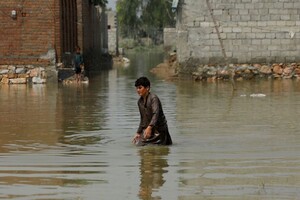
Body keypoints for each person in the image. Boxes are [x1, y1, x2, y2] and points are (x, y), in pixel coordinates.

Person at [132, 77, 172, 146]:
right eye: (137, 88)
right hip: (149, 129)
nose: (138, 90)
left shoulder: (153, 98)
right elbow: (143, 119)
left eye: (140, 88)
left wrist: (149, 127)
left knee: (156, 150)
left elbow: (155, 114)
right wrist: (138, 132)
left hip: (159, 131)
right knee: (138, 145)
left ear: (147, 88)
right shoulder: (140, 102)